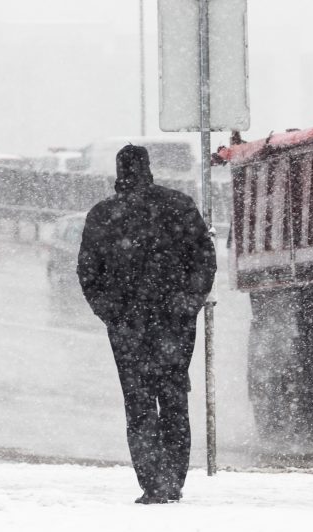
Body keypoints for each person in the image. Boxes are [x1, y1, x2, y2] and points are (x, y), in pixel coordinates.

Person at [77, 144, 216, 504]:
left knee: (139, 404)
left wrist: (113, 312)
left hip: (130, 327)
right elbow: (204, 259)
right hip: (173, 323)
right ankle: (172, 478)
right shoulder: (178, 206)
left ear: (119, 173)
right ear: (149, 169)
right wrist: (187, 301)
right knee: (173, 400)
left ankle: (155, 482)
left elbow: (89, 274)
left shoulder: (104, 215)